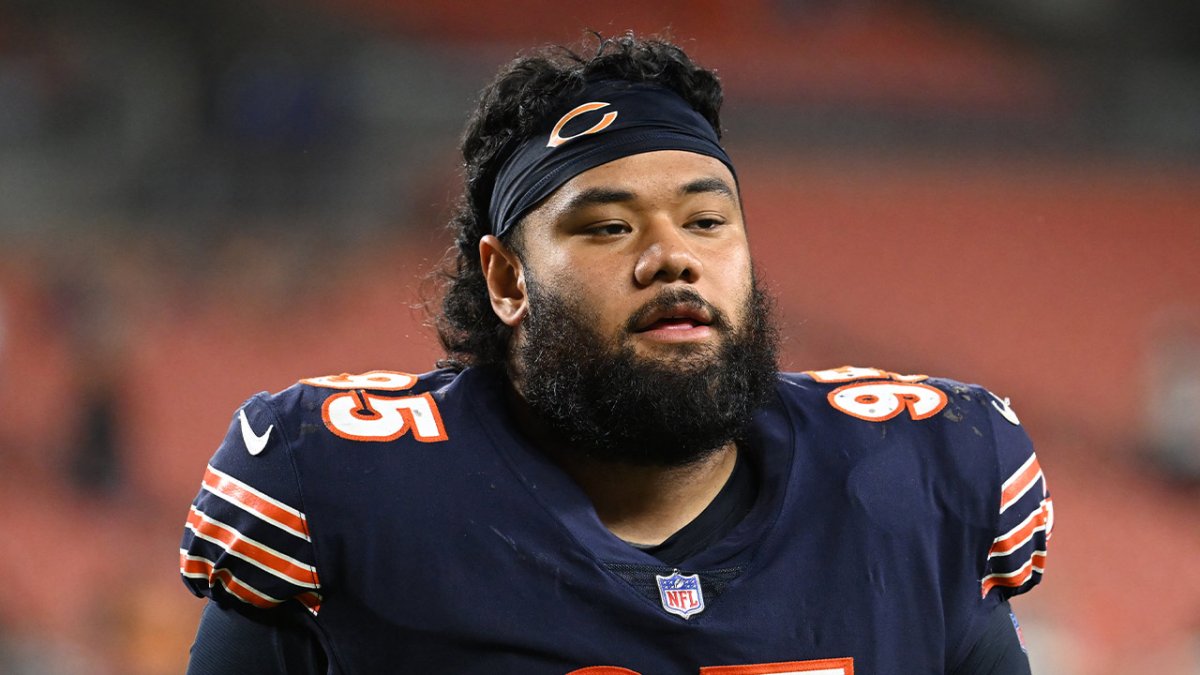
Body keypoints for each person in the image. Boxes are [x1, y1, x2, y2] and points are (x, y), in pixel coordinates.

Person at [180, 33, 1052, 674]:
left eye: (708, 221)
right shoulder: (344, 489)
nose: (673, 255)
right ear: (508, 279)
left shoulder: (923, 480)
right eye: (607, 226)